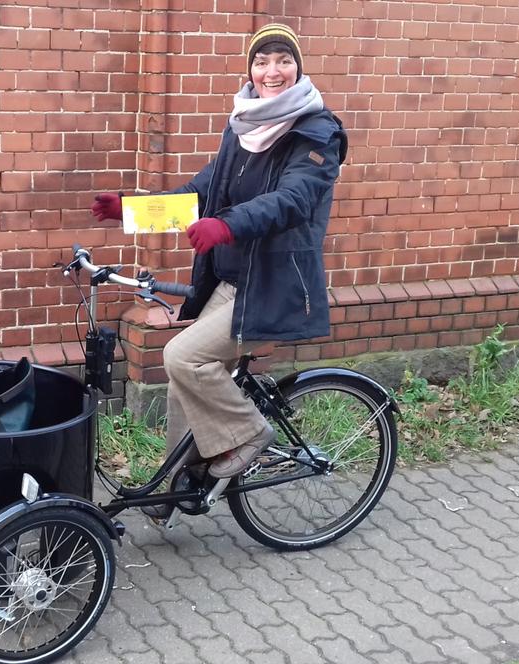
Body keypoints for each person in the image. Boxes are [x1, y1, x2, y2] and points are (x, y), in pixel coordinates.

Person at [91, 24, 348, 514]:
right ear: (250, 69)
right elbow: (200, 193)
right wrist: (130, 209)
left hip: (271, 286)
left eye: (282, 59)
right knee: (184, 389)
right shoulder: (243, 126)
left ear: (298, 66)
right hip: (229, 281)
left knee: (184, 358)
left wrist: (225, 226)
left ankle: (248, 433)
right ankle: (177, 489)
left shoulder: (318, 134)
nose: (272, 71)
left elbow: (291, 201)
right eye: (262, 61)